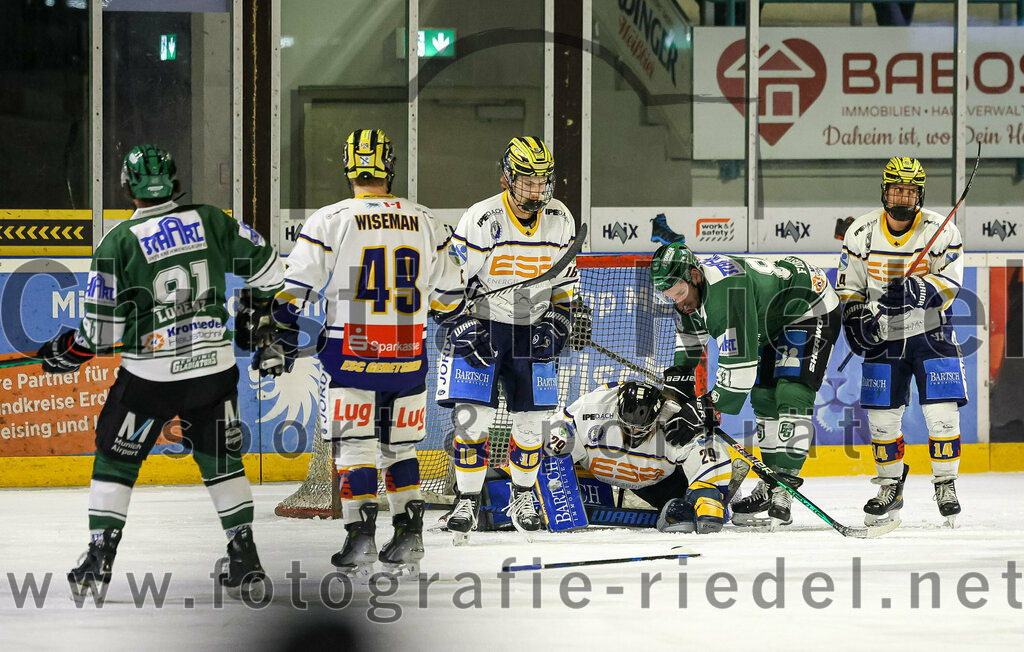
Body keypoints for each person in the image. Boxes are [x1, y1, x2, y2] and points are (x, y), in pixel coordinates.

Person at [37, 144, 285, 599]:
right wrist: (258, 310)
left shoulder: (118, 242)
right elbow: (270, 271)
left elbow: (102, 332)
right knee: (222, 464)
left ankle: (99, 557)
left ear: (127, 187)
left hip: (151, 377)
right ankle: (245, 557)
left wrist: (72, 348)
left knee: (115, 459)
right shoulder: (211, 219)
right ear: (174, 181)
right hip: (214, 369)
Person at [257, 128, 462, 578]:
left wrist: (278, 327)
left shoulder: (329, 220)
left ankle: (360, 538)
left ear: (349, 166)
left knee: (355, 448)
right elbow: (450, 300)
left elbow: (293, 294)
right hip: (408, 357)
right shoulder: (427, 220)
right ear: (390, 165)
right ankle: (409, 536)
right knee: (401, 448)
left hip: (350, 355)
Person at [436, 136, 578, 544]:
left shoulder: (560, 219)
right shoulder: (482, 219)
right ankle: (466, 500)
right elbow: (448, 279)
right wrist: (460, 323)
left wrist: (560, 318)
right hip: (483, 324)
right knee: (471, 419)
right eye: (528, 182)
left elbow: (565, 283)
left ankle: (523, 497)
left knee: (532, 425)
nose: (536, 191)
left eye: (543, 182)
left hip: (530, 328)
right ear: (507, 178)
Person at [650, 242, 841, 530]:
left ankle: (784, 485)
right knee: (764, 398)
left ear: (695, 276)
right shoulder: (688, 296)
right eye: (669, 297)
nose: (678, 302)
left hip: (809, 306)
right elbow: (688, 351)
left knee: (791, 392)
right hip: (771, 318)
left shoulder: (728, 296)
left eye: (679, 293)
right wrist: (676, 390)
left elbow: (739, 376)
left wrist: (702, 409)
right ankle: (770, 483)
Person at [837, 156, 966, 528]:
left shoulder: (942, 230)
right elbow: (849, 286)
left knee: (941, 414)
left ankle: (946, 484)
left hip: (932, 331)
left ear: (919, 195)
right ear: (884, 190)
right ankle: (890, 485)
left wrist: (919, 287)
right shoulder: (860, 233)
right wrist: (854, 316)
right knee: (881, 419)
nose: (902, 197)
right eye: (896, 188)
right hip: (883, 336)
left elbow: (952, 284)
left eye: (910, 191)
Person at [547, 381, 735, 533]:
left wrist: (708, 497)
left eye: (640, 429)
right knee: (554, 455)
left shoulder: (674, 420)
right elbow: (552, 435)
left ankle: (724, 497)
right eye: (627, 426)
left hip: (656, 482)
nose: (633, 432)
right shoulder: (592, 408)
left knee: (684, 512)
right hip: (596, 474)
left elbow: (708, 450)